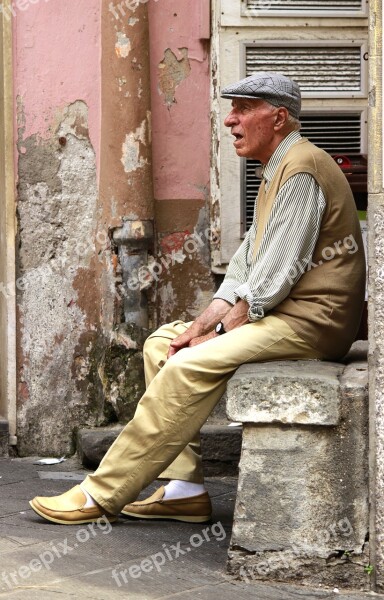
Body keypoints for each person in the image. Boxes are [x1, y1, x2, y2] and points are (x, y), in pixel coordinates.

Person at [29, 72, 366, 525]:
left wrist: (220, 333)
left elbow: (275, 278)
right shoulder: (277, 168)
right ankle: (183, 488)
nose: (230, 120)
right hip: (281, 314)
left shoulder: (301, 168)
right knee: (162, 345)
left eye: (244, 109)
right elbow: (245, 269)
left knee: (188, 363)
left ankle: (101, 492)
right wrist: (197, 328)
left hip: (312, 323)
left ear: (279, 118)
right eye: (233, 109)